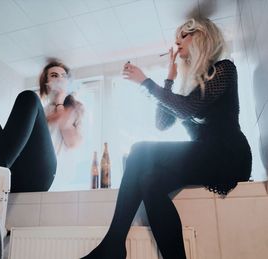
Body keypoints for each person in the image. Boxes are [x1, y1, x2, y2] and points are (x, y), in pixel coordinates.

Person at [80, 17, 252, 259]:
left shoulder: (224, 69)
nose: (177, 41)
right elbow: (162, 124)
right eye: (176, 37)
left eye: (184, 35)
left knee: (139, 151)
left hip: (228, 154)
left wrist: (145, 83)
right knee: (150, 181)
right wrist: (169, 79)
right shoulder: (188, 86)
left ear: (202, 36)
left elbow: (188, 109)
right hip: (206, 154)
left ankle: (113, 245)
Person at [0, 59, 84, 193]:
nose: (59, 79)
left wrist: (60, 101)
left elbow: (73, 141)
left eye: (63, 76)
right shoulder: (39, 110)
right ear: (46, 83)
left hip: (42, 175)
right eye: (54, 76)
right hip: (13, 168)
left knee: (29, 97)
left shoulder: (73, 108)